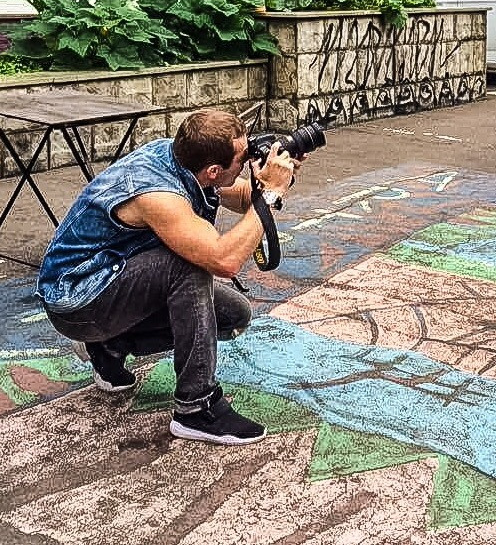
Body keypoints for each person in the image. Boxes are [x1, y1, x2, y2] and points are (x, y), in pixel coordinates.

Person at [36, 109, 300, 445]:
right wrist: (271, 194)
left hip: (111, 280)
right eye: (242, 157)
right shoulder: (158, 193)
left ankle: (109, 345)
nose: (248, 159)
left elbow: (248, 197)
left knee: (232, 315)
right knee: (187, 265)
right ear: (215, 169)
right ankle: (196, 408)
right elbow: (224, 260)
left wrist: (278, 180)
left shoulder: (186, 159)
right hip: (77, 299)